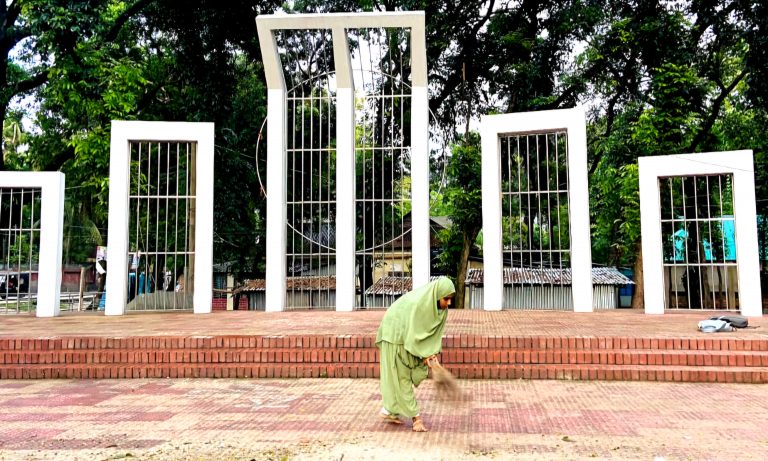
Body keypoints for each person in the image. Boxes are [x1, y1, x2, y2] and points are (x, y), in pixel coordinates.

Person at [375, 276, 455, 432]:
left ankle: (388, 410)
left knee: (399, 378)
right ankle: (416, 419)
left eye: (451, 299)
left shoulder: (440, 309)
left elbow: (431, 335)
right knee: (402, 378)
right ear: (437, 296)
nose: (449, 303)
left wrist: (430, 353)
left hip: (406, 338)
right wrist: (425, 355)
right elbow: (413, 337)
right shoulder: (420, 307)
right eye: (446, 299)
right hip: (395, 336)